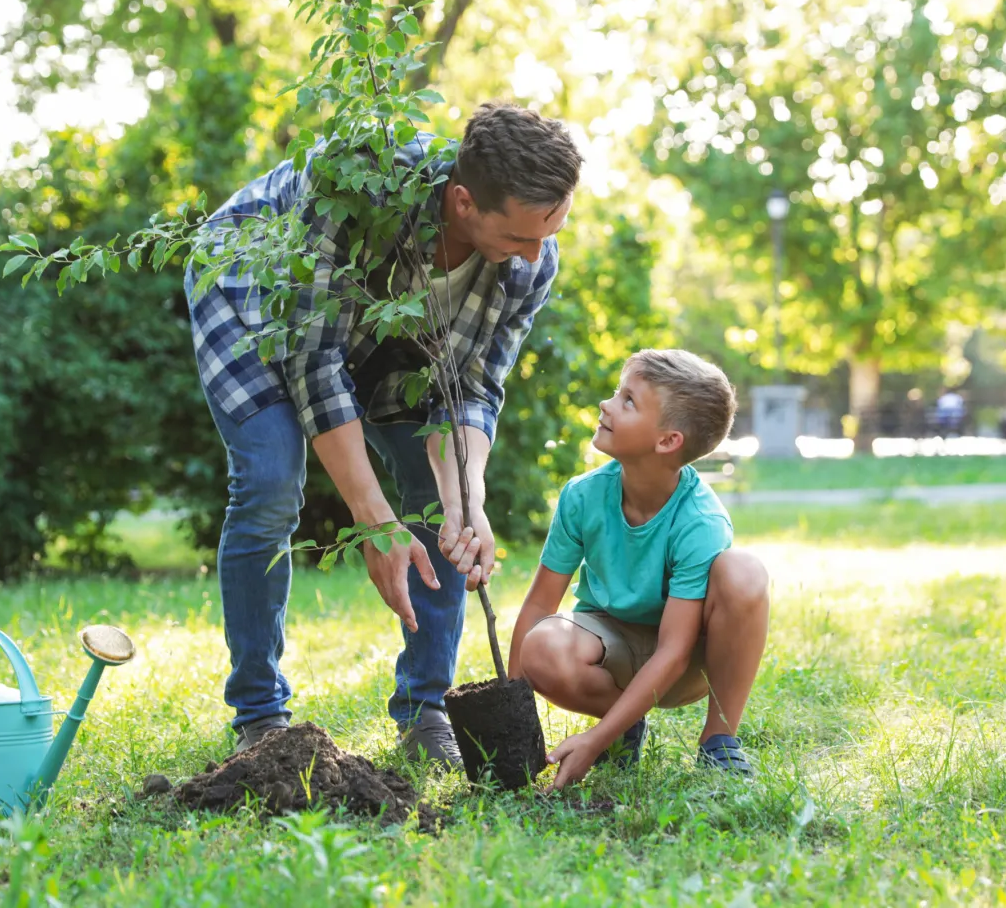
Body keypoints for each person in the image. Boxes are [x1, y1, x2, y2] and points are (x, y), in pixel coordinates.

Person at [184, 104, 583, 765]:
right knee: (272, 479)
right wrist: (373, 521)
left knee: (438, 500)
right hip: (254, 295)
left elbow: (474, 390)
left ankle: (427, 710)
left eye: (550, 234)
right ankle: (260, 715)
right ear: (462, 201)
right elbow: (315, 364)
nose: (538, 257)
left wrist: (469, 507)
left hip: (388, 335)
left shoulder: (530, 262)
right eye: (521, 236)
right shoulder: (352, 185)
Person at [507, 350, 771, 788]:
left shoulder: (699, 521)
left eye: (627, 400)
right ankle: (623, 729)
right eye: (617, 392)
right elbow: (539, 603)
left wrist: (592, 740)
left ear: (667, 441)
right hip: (610, 643)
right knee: (542, 645)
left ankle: (719, 742)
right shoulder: (583, 496)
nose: (606, 405)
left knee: (743, 572)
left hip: (685, 662)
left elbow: (674, 650)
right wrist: (512, 715)